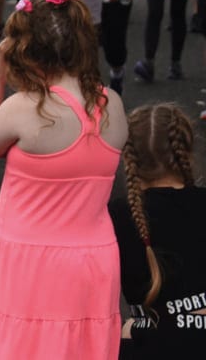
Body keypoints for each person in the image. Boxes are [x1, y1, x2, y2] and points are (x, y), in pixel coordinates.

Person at [0, 0, 126, 360]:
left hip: (31, 260)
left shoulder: (25, 109)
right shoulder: (111, 104)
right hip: (93, 259)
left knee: (24, 345)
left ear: (26, 52)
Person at [109, 103, 206, 358]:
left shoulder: (117, 215)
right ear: (186, 152)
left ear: (128, 159)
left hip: (148, 344)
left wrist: (132, 331)